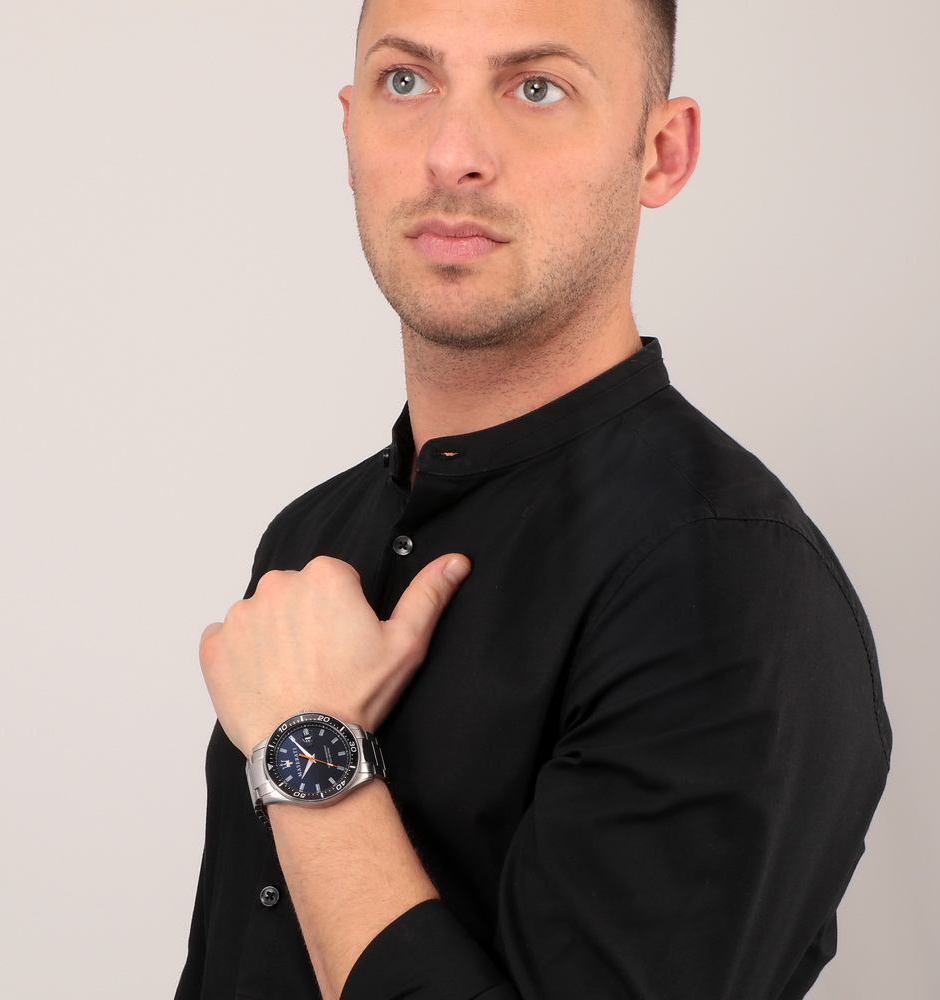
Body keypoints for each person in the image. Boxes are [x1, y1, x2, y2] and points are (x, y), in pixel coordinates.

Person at [176, 0, 891, 997]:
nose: (451, 155)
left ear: (661, 153)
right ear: (348, 129)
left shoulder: (729, 582)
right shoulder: (310, 538)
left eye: (537, 87)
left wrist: (311, 751)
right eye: (406, 81)